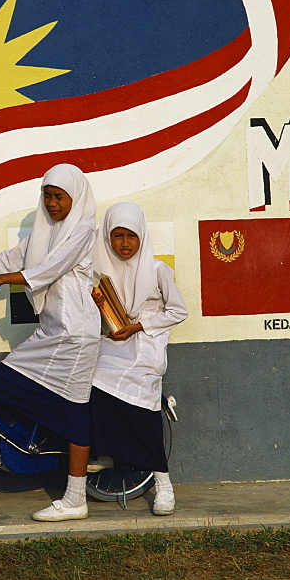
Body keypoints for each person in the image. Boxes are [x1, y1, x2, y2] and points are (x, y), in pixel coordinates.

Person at [0, 163, 100, 522]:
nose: (53, 203)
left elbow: (47, 270)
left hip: (76, 335)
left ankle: (75, 499)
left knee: (73, 415)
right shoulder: (47, 232)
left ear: (77, 197)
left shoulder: (84, 232)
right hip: (52, 332)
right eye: (47, 195)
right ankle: (13, 445)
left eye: (60, 196)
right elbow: (11, 258)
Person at [89, 202, 187, 516]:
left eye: (132, 236)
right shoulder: (101, 273)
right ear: (107, 237)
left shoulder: (156, 269)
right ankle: (105, 450)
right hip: (114, 345)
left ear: (142, 236)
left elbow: (178, 311)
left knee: (143, 411)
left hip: (146, 346)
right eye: (117, 236)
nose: (125, 243)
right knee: (89, 381)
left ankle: (164, 485)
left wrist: (140, 325)